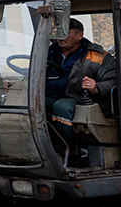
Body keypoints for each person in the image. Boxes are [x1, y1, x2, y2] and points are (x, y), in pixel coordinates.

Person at [45, 18, 118, 146]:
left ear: (80, 35)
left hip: (78, 98)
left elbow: (113, 81)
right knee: (28, 103)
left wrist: (96, 87)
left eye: (66, 32)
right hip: (51, 95)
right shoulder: (47, 53)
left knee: (63, 107)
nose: (61, 36)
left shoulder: (97, 55)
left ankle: (66, 151)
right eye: (58, 32)